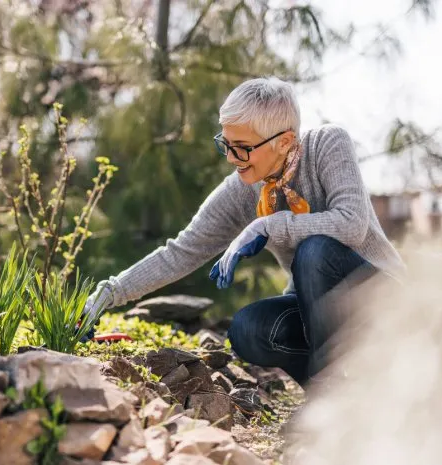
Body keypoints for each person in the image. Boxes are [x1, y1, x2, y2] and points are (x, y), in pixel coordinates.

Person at [82, 77, 405, 385]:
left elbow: (351, 224)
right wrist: (110, 292)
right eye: (226, 144)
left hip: (383, 300)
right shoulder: (242, 189)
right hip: (318, 316)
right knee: (248, 329)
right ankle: (331, 405)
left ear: (285, 142)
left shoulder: (327, 144)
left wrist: (268, 224)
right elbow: (181, 251)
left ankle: (332, 385)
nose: (232, 158)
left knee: (315, 248)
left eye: (242, 147)